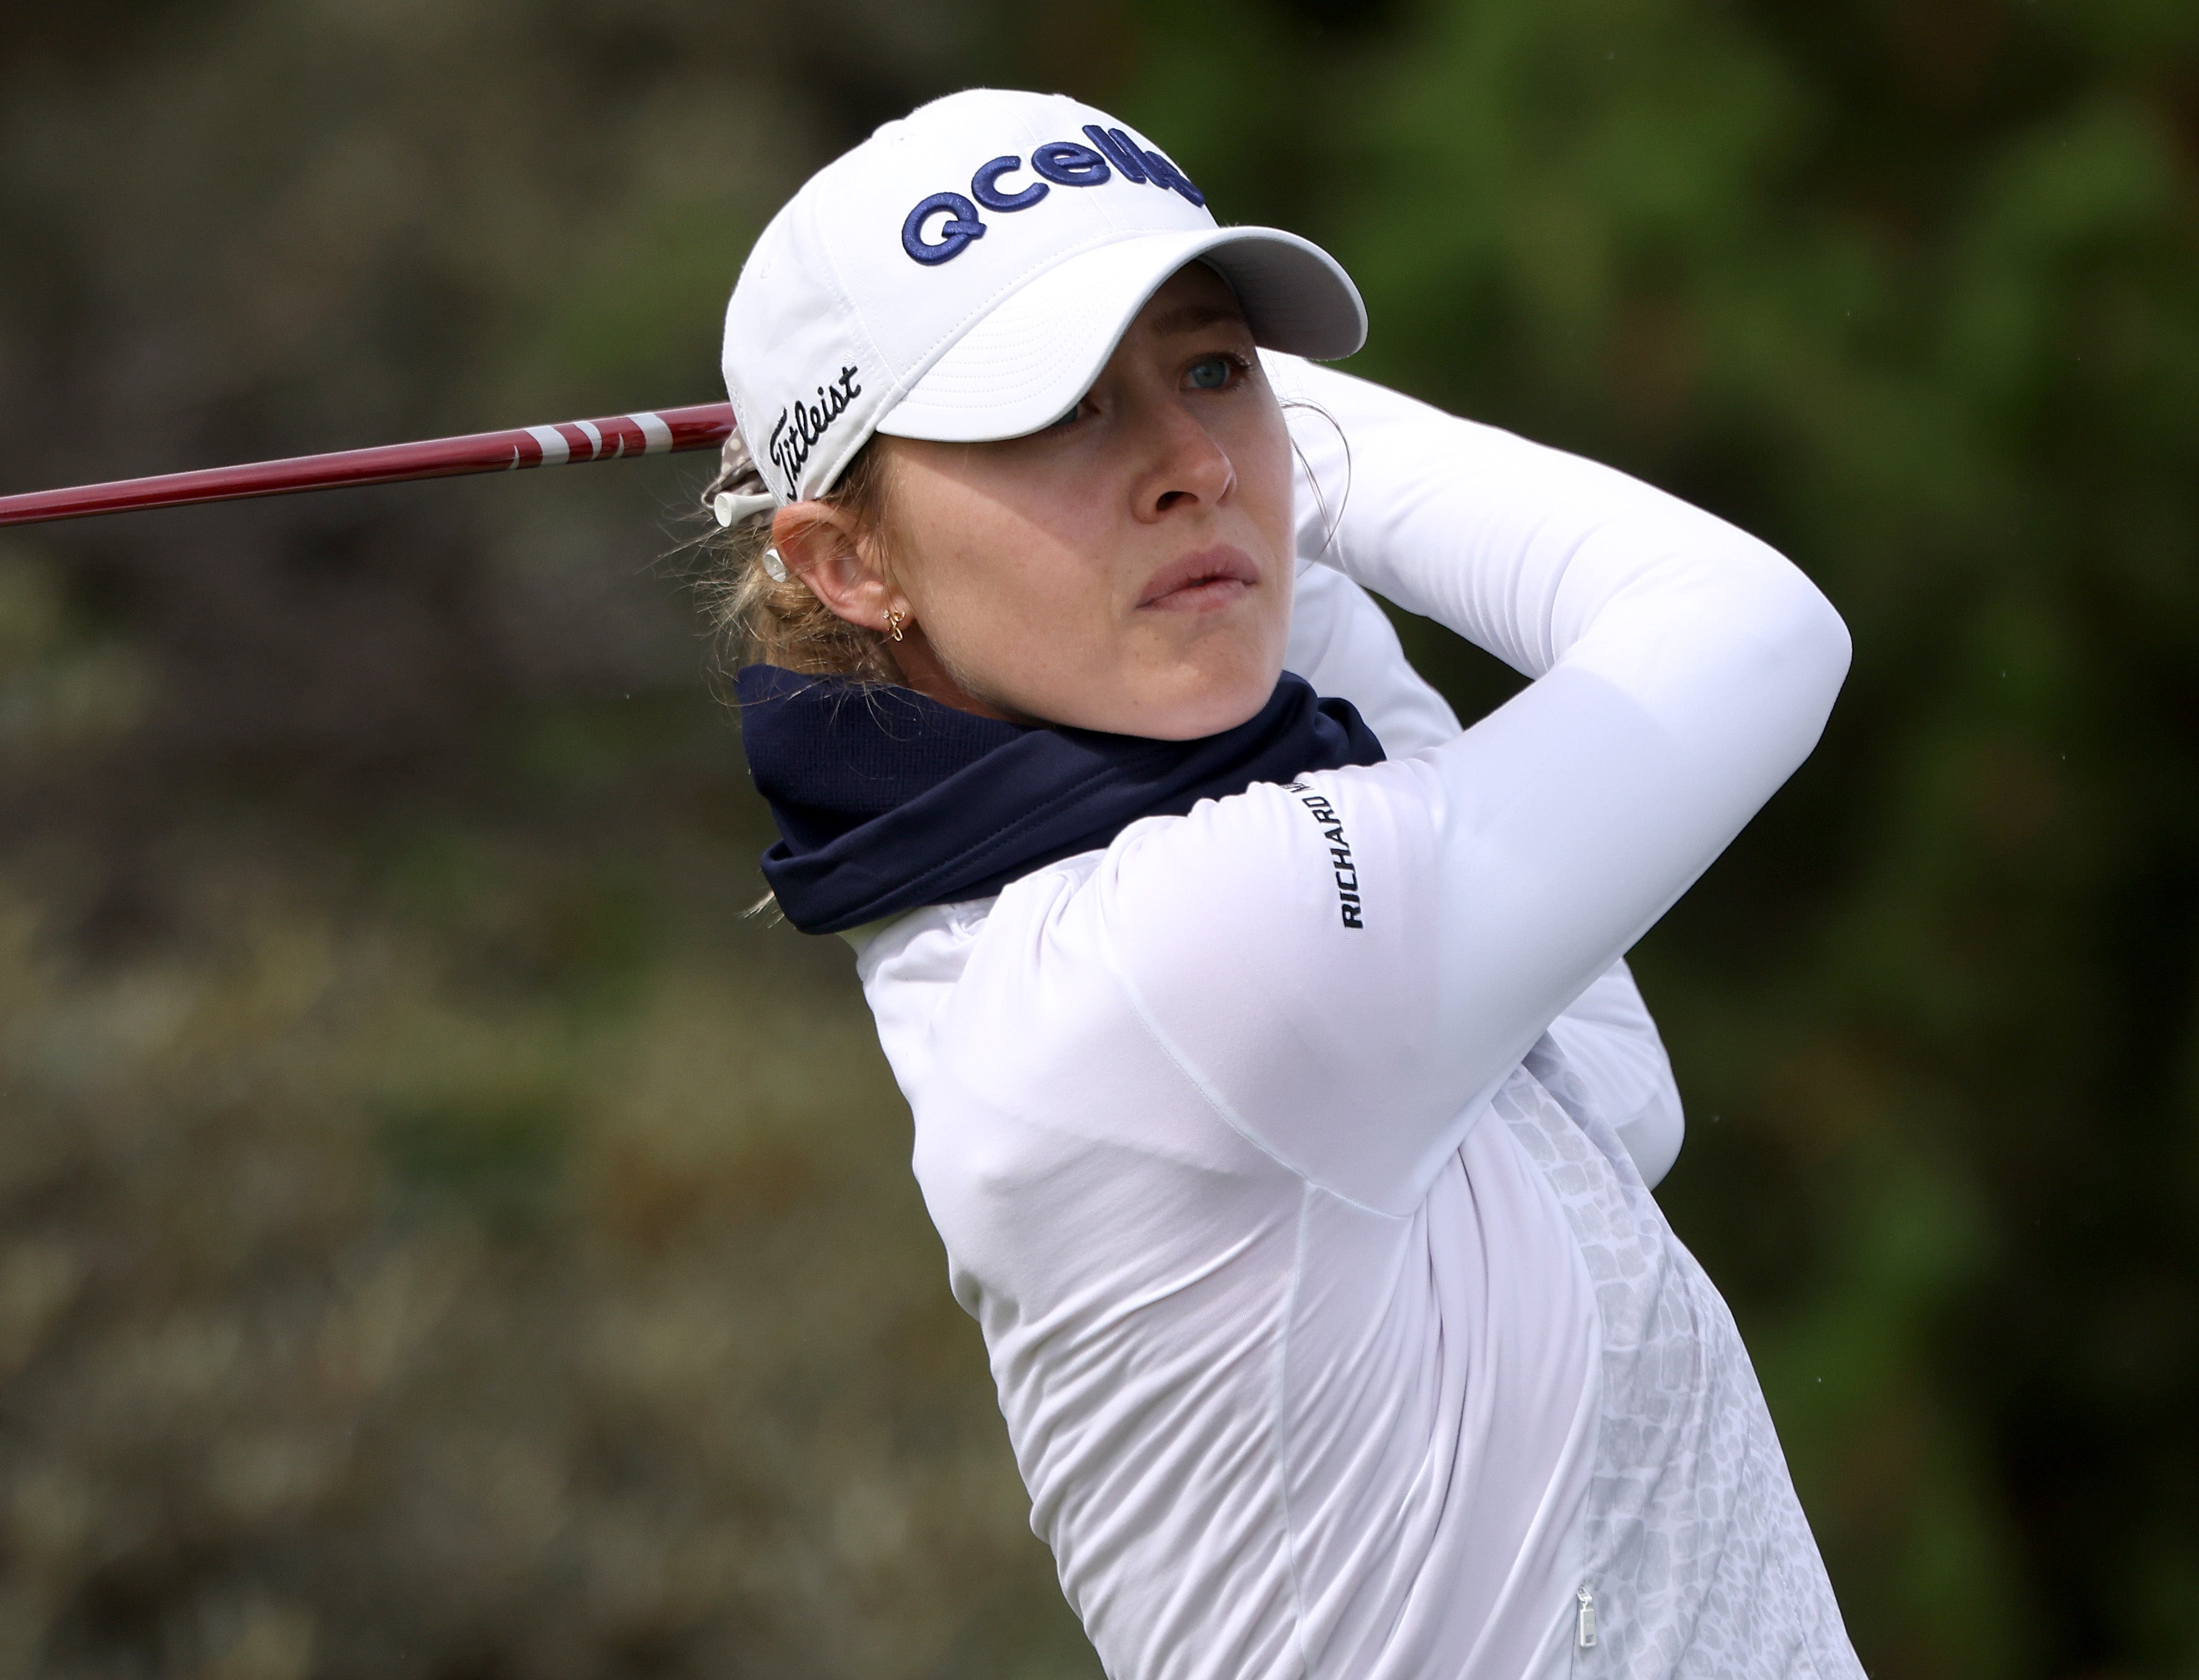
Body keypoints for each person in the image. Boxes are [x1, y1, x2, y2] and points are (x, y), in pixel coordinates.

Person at [698, 89, 1861, 1679]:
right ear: (848, 566)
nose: (1189, 462)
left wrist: (1234, 480)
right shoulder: (1159, 970)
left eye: (1209, 364)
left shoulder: (1136, 901)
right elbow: (1746, 630)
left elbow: (1609, 1097)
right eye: (1055, 410)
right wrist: (1303, 427)